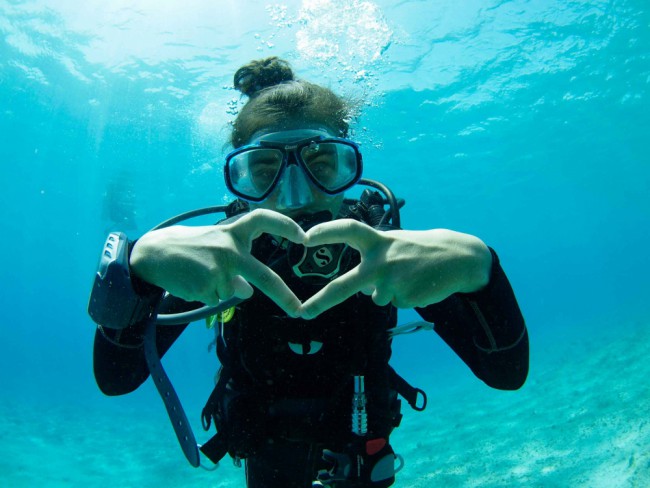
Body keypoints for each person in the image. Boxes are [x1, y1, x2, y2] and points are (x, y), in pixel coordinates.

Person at [90, 56, 529, 487]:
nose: (295, 196)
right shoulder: (226, 258)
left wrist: (480, 268)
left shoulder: (382, 255)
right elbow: (117, 377)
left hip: (362, 455)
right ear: (241, 180)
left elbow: (506, 373)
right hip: (262, 449)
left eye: (321, 165)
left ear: (349, 168)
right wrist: (136, 271)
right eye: (264, 171)